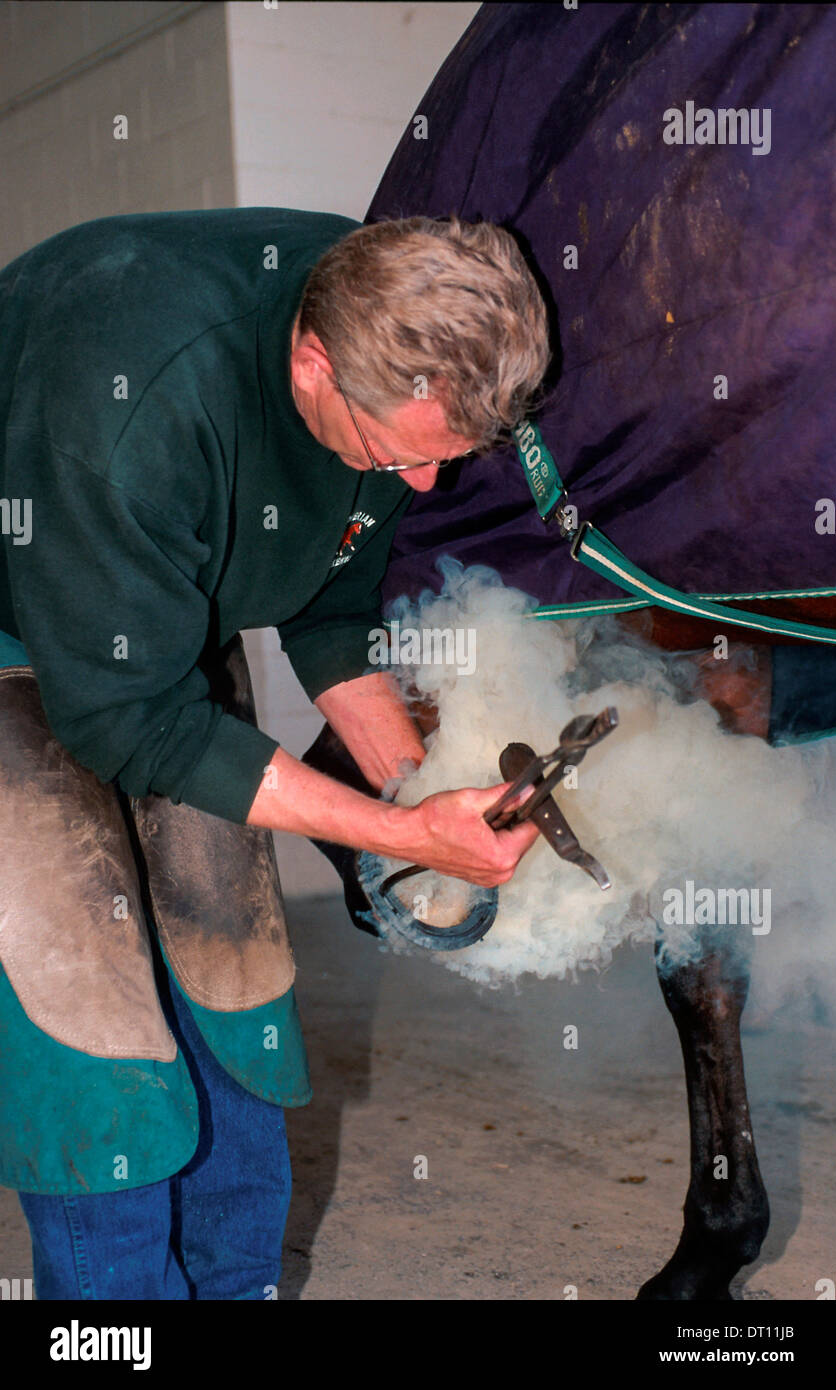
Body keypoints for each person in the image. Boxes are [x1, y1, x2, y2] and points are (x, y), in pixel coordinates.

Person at [0, 208, 548, 1298]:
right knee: (89, 1024)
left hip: (159, 616)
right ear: (311, 363)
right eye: (406, 454)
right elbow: (129, 722)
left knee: (233, 975)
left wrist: (420, 798)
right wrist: (394, 833)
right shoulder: (128, 404)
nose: (424, 486)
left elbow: (329, 603)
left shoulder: (393, 325)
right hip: (19, 627)